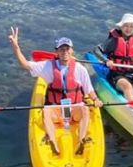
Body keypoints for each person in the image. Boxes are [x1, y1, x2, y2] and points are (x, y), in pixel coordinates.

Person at [8, 27, 103, 156]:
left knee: (85, 110)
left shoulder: (80, 69)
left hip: (75, 108)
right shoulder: (47, 66)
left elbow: (89, 90)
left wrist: (96, 100)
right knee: (46, 111)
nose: (65, 52)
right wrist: (16, 47)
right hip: (57, 109)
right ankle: (53, 141)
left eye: (67, 49)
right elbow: (26, 64)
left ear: (72, 50)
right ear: (57, 51)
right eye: (61, 49)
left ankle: (81, 140)